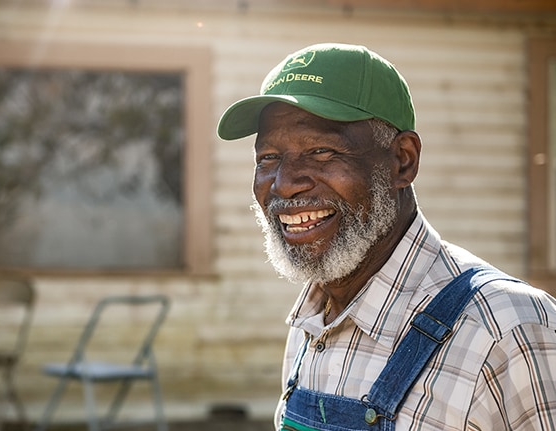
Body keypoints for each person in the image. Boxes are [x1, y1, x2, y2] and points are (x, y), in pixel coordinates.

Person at [217, 42, 556, 430]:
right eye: (268, 158)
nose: (285, 183)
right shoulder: (311, 321)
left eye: (323, 151)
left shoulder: (507, 330)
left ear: (402, 161)